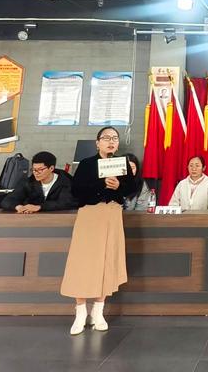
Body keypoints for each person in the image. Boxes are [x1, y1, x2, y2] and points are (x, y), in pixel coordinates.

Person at [60, 127, 135, 335]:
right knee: (82, 261)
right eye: (106, 138)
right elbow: (76, 191)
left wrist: (119, 186)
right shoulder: (86, 164)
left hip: (112, 213)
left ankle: (98, 311)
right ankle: (80, 311)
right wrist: (102, 185)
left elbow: (131, 189)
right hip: (90, 214)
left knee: (107, 260)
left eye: (115, 138)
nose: (111, 142)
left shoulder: (122, 163)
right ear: (97, 143)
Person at [0, 151, 77, 213]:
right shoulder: (28, 182)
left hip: (60, 219)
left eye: (40, 169)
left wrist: (39, 207)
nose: (36, 173)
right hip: (32, 220)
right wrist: (19, 207)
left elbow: (65, 202)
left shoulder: (65, 182)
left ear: (51, 168)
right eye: (34, 170)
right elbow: (7, 200)